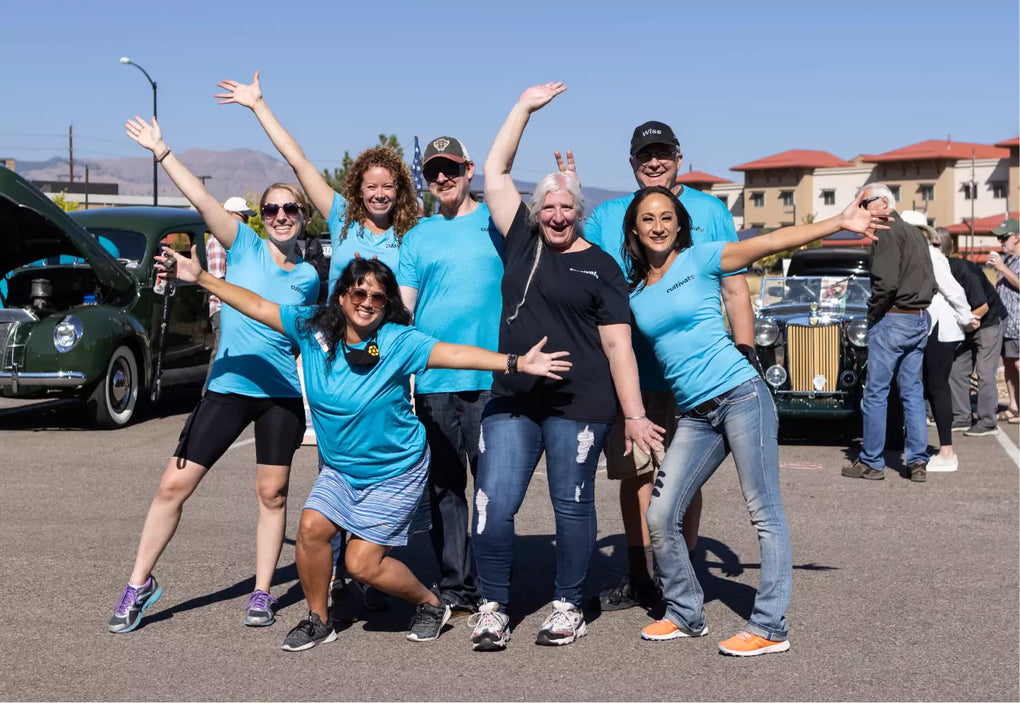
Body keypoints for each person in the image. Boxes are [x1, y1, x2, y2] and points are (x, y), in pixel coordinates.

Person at [155, 250, 570, 651]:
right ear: (342, 296)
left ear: (386, 304)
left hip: (395, 469)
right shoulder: (312, 327)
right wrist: (202, 278)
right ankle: (319, 620)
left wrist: (515, 363)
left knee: (361, 564)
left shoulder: (397, 341)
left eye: (377, 297)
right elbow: (259, 305)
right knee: (312, 529)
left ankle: (432, 603)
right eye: (359, 293)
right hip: (341, 469)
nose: (367, 303)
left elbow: (455, 354)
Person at [623, 185, 882, 656]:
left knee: (763, 511)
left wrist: (839, 222)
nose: (658, 226)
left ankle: (769, 626)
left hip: (741, 394)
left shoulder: (700, 259)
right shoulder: (636, 293)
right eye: (647, 219)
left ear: (679, 223)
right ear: (635, 229)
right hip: (695, 415)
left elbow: (773, 242)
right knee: (660, 514)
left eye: (666, 217)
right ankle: (684, 612)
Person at [467, 82, 663, 651]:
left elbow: (619, 348)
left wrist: (632, 416)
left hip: (581, 405)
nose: (555, 214)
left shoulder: (601, 267)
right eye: (547, 206)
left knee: (572, 503)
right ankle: (492, 605)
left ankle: (568, 604)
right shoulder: (521, 241)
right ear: (537, 212)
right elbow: (496, 170)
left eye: (566, 207)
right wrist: (523, 108)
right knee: (493, 502)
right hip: (514, 398)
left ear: (580, 213)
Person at [108, 117, 320, 634]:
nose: (281, 215)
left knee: (272, 495)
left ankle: (263, 592)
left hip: (279, 396)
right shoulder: (243, 244)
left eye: (291, 208)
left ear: (303, 216)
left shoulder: (311, 276)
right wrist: (162, 152)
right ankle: (139, 584)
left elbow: (302, 337)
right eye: (272, 208)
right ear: (262, 215)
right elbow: (201, 202)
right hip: (227, 387)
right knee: (172, 486)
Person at [575, 119, 755, 612]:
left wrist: (745, 355)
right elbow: (576, 269)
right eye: (643, 156)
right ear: (632, 163)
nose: (653, 162)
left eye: (662, 154)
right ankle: (639, 577)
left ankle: (681, 573)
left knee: (683, 475)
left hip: (695, 371)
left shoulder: (710, 210)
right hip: (631, 372)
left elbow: (735, 287)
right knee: (634, 474)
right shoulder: (608, 215)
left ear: (678, 156)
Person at [397, 136, 503, 617]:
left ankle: (493, 582)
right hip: (435, 383)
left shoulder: (496, 221)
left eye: (451, 169)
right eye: (434, 171)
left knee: (491, 486)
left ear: (469, 169)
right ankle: (457, 586)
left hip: (490, 379)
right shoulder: (418, 235)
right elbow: (403, 308)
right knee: (444, 489)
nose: (443, 179)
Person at [215, 71, 418, 287]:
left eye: (387, 186)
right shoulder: (342, 217)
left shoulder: (411, 233)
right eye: (371, 187)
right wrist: (259, 105)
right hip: (338, 321)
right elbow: (299, 162)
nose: (379, 195)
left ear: (399, 190)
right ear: (360, 190)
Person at [842, 184, 935, 483]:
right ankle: (918, 461)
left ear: (883, 202)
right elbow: (930, 282)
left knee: (876, 393)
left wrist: (873, 313)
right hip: (919, 318)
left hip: (894, 319)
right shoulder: (914, 233)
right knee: (911, 393)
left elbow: (885, 284)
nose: (862, 210)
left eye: (865, 203)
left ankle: (871, 461)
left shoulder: (886, 231)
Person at [900, 211, 977, 474]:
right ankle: (921, 446)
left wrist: (967, 317)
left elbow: (953, 289)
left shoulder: (932, 256)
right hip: (925, 326)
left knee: (936, 387)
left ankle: (947, 451)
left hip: (939, 328)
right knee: (920, 386)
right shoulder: (912, 254)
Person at [946, 236, 1007, 437]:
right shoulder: (937, 274)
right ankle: (962, 417)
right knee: (957, 369)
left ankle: (988, 422)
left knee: (984, 370)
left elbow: (982, 306)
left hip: (989, 321)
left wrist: (967, 325)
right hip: (967, 325)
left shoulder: (964, 271)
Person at [201, 196, 255, 393]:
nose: (246, 222)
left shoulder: (233, 242)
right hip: (222, 308)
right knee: (221, 352)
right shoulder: (218, 241)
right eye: (244, 216)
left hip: (233, 307)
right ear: (230, 215)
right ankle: (208, 396)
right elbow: (217, 281)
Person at [988, 218, 1019, 425]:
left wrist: (1002, 268)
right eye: (999, 237)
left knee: (1017, 364)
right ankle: (1014, 406)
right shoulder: (1008, 260)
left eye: (1004, 237)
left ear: (1016, 237)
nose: (1001, 241)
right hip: (1007, 322)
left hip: (1019, 323)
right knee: (1008, 363)